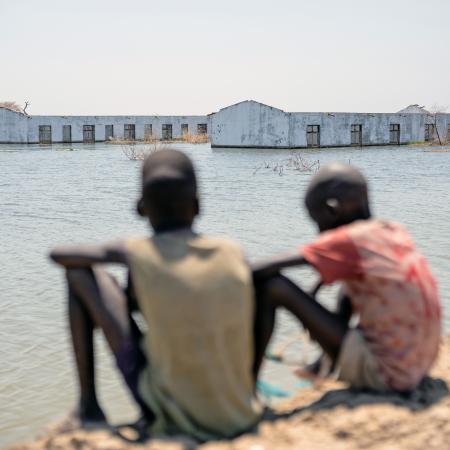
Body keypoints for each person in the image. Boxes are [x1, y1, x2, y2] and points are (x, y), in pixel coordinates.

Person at [50, 150, 264, 441]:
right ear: (198, 205)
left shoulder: (137, 252)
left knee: (80, 274)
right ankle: (246, 388)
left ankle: (89, 406)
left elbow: (59, 254)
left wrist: (120, 254)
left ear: (140, 208)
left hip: (170, 412)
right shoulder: (232, 251)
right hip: (239, 413)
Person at [252, 162, 441, 392]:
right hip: (420, 365)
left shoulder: (349, 240)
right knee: (349, 285)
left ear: (332, 210)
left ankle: (247, 388)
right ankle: (323, 364)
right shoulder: (392, 230)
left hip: (388, 374)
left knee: (274, 286)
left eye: (317, 222)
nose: (319, 233)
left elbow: (260, 269)